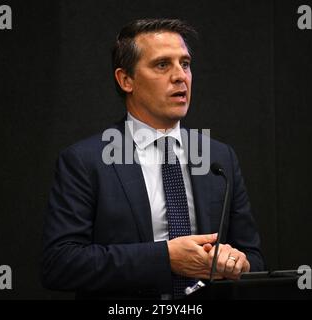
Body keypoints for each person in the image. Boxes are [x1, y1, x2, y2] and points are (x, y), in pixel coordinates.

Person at [41, 18, 264, 299]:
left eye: (185, 63)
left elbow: (254, 259)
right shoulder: (85, 161)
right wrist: (164, 258)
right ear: (126, 80)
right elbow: (60, 264)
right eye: (162, 65)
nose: (180, 76)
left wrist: (237, 262)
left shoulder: (219, 157)